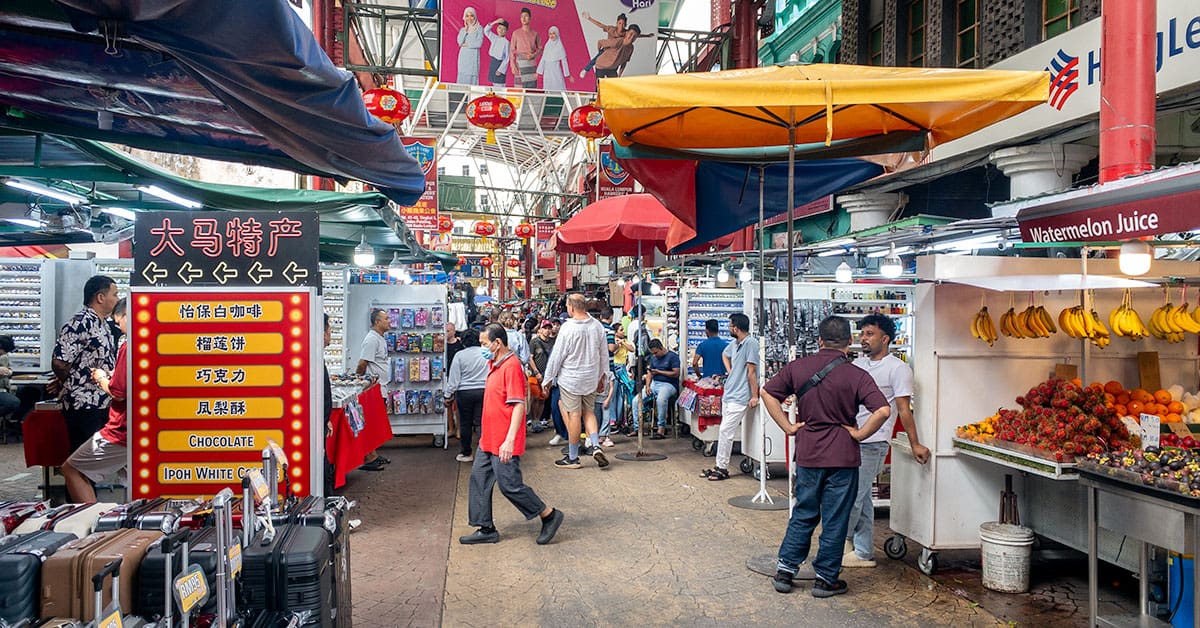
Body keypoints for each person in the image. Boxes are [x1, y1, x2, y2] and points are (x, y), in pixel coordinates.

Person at [760, 316, 890, 598]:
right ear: (849, 342)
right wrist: (859, 434)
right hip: (843, 456)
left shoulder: (799, 367)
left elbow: (767, 392)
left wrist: (788, 427)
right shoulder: (857, 375)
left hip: (808, 452)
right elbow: (883, 411)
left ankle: (785, 570)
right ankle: (825, 579)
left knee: (804, 511)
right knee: (835, 517)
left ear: (819, 340)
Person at [459, 324, 564, 545]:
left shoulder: (512, 366)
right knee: (479, 479)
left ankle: (549, 514)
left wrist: (509, 440)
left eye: (484, 344)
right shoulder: (494, 363)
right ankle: (485, 527)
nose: (482, 348)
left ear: (497, 343)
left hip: (503, 439)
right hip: (489, 438)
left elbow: (518, 406)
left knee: (510, 485)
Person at [844, 314, 930, 568]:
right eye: (863, 334)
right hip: (851, 436)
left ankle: (835, 544)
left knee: (852, 497)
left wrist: (915, 444)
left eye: (870, 334)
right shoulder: (858, 364)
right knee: (861, 498)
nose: (864, 338)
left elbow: (904, 409)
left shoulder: (898, 368)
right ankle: (862, 552)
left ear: (885, 338)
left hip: (874, 441)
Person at [61, 297, 128, 503]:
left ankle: (90, 522)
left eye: (119, 323)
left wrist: (100, 377)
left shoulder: (130, 346)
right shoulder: (154, 342)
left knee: (72, 469)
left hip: (121, 430)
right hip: (142, 428)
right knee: (134, 481)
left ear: (126, 316)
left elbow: (119, 391)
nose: (119, 328)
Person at [52, 275, 119, 453]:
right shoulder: (80, 323)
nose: (117, 299)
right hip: (83, 405)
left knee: (95, 459)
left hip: (100, 402)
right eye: (115, 294)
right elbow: (60, 363)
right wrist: (70, 384)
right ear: (100, 297)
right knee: (84, 459)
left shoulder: (103, 324)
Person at [542, 293, 609, 469]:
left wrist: (548, 379)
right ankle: (595, 445)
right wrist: (604, 376)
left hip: (571, 379)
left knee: (574, 415)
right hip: (591, 377)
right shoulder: (597, 326)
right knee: (589, 412)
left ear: (571, 307)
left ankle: (573, 458)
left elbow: (557, 357)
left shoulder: (567, 328)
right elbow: (604, 354)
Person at [702, 313, 758, 481]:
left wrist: (754, 395)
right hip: (730, 394)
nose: (728, 328)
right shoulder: (735, 344)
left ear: (736, 328)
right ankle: (720, 465)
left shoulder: (751, 344)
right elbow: (725, 355)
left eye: (730, 325)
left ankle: (721, 467)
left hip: (741, 396)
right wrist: (731, 371)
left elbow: (752, 372)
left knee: (726, 431)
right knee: (724, 431)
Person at [353, 308, 392, 471]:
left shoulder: (380, 338)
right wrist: (358, 379)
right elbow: (363, 363)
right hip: (372, 389)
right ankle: (368, 457)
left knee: (375, 422)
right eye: (386, 318)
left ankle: (373, 454)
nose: (390, 321)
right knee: (369, 423)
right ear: (377, 322)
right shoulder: (371, 339)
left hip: (380, 387)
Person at [445, 329, 488, 463]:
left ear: (463, 341)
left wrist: (448, 395)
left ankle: (466, 452)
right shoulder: (486, 354)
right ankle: (485, 451)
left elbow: (454, 378)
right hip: (484, 390)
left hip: (464, 392)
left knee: (465, 423)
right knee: (482, 422)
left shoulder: (460, 355)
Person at [643, 339, 680, 440]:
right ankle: (637, 428)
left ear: (661, 348)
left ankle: (661, 428)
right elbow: (649, 373)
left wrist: (659, 372)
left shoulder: (673, 357)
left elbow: (676, 373)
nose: (654, 355)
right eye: (653, 353)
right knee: (636, 401)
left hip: (669, 384)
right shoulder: (653, 359)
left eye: (656, 352)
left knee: (661, 400)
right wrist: (647, 386)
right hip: (655, 383)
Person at [577, 12, 626, 78]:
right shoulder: (611, 29)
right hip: (607, 49)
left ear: (625, 25)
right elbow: (600, 25)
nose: (621, 26)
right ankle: (585, 69)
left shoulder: (626, 33)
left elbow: (636, 34)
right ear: (617, 23)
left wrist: (645, 36)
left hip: (615, 53)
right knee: (597, 57)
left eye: (623, 24)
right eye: (620, 23)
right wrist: (589, 18)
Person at [508, 7, 542, 88]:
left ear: (530, 18)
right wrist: (512, 65)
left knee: (531, 88)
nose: (523, 18)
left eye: (526, 16)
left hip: (531, 64)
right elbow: (512, 50)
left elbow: (540, 48)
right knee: (519, 88)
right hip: (520, 64)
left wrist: (533, 55)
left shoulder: (535, 34)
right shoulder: (516, 33)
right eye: (522, 16)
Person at [445, 322, 466, 438]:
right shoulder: (442, 345)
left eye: (448, 331)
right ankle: (451, 428)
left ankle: (458, 429)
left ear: (453, 331)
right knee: (448, 404)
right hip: (446, 376)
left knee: (458, 405)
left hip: (459, 378)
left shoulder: (460, 345)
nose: (446, 333)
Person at [537, 26, 572, 90]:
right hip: (547, 73)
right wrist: (538, 72)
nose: (552, 35)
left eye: (553, 33)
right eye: (550, 33)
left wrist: (568, 75)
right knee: (547, 89)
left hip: (556, 72)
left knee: (558, 88)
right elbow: (543, 59)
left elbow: (564, 62)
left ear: (557, 34)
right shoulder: (547, 45)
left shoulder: (560, 47)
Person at [456, 7, 484, 84]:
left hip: (473, 59)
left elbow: (479, 43)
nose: (469, 18)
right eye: (467, 16)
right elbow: (460, 42)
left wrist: (467, 45)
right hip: (463, 59)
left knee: (472, 81)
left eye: (471, 15)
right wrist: (466, 29)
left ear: (475, 17)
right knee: (462, 80)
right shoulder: (463, 30)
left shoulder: (479, 28)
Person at [484, 18, 510, 87]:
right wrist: (495, 22)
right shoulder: (494, 38)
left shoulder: (506, 43)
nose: (501, 30)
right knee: (493, 85)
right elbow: (486, 31)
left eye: (503, 29)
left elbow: (507, 58)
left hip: (500, 64)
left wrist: (500, 70)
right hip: (493, 63)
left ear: (506, 31)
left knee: (500, 86)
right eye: (499, 28)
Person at [0, 335, 19, 420]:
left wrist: (8, 371)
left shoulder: (3, 357)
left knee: (31, 392)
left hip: (5, 387)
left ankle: (15, 420)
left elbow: (6, 370)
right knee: (12, 403)